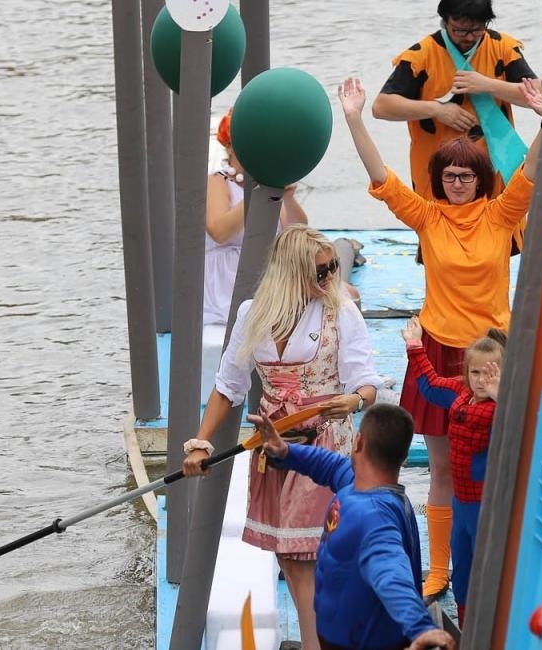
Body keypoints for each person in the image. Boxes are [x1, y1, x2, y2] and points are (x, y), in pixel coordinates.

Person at [339, 75, 542, 600]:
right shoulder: (428, 218)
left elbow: (533, 169)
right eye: (449, 175)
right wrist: (354, 119)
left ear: (481, 178)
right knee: (442, 468)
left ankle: (502, 562)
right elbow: (382, 177)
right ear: (439, 179)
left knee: (501, 461)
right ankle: (440, 569)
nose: (457, 182)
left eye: (466, 175)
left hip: (492, 352)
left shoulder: (502, 215)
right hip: (436, 349)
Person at [182, 226, 383, 650]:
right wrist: (201, 441)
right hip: (274, 448)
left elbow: (367, 383)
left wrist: (352, 401)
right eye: (322, 271)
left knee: (306, 555)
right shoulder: (252, 314)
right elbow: (228, 386)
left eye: (332, 268)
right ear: (291, 274)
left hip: (326, 444)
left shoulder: (341, 311)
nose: (331, 278)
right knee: (290, 557)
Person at [247, 404, 455, 650]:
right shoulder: (357, 485)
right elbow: (330, 464)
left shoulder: (374, 518)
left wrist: (420, 627)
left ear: (358, 443)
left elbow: (391, 573)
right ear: (404, 457)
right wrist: (285, 452)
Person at [371, 0, 536, 199]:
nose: (468, 37)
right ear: (444, 20)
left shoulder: (502, 47)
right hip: (439, 172)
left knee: (500, 227)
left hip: (494, 167)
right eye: (459, 31)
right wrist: (437, 110)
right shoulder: (422, 55)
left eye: (476, 30)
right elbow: (381, 107)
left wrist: (488, 85)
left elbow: (536, 97)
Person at [402, 320, 504, 626]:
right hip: (461, 503)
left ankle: (489, 629)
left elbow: (517, 428)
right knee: (461, 567)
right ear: (466, 373)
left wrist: (502, 395)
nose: (482, 380)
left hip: (485, 506)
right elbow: (430, 385)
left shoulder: (503, 406)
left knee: (486, 571)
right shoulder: (460, 393)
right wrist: (415, 346)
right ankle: (465, 624)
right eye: (476, 372)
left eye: (490, 373)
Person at [205, 110, 309, 327]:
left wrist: (287, 199)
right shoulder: (218, 181)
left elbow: (299, 231)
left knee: (346, 294)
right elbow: (219, 232)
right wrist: (257, 193)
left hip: (272, 274)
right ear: (230, 147)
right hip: (228, 282)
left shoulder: (270, 180)